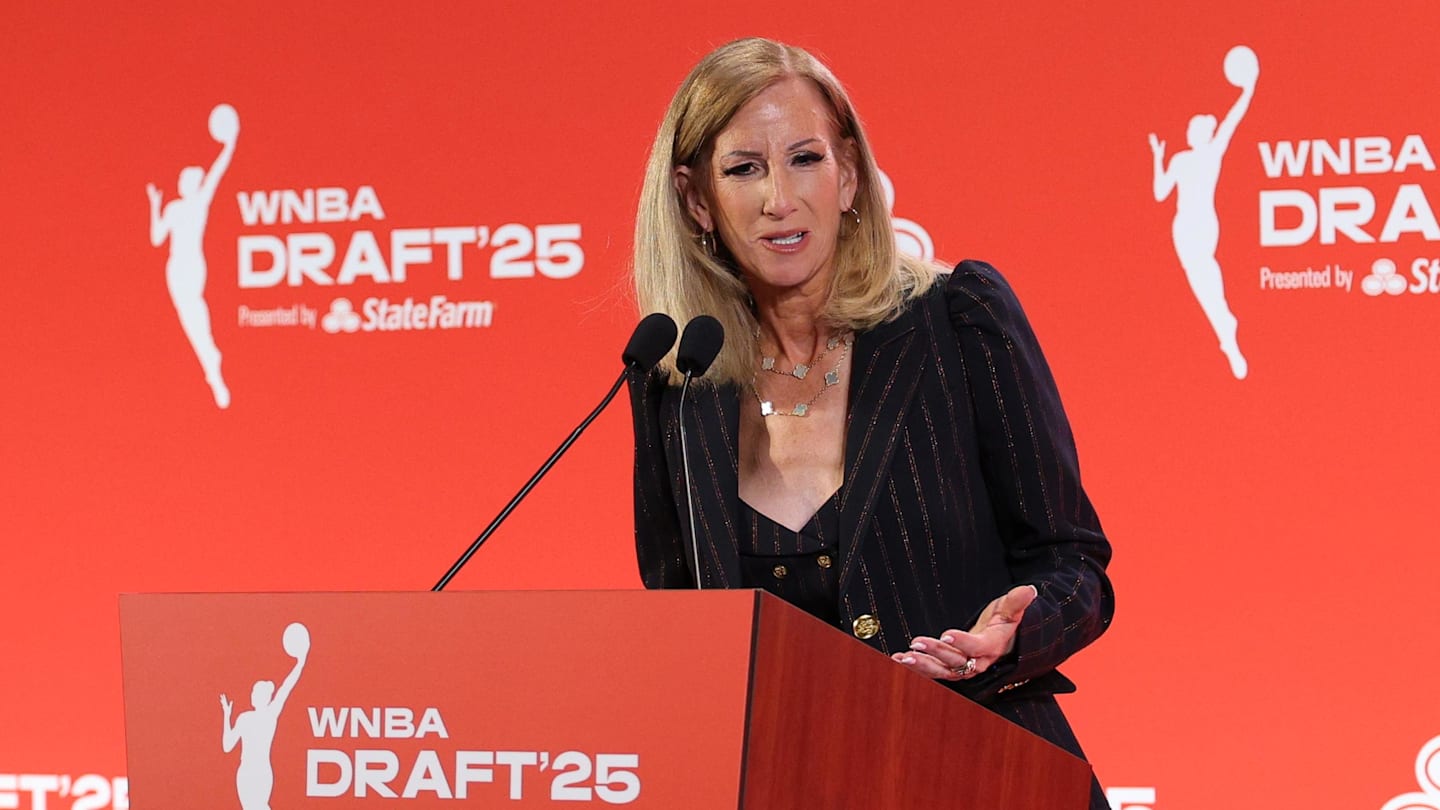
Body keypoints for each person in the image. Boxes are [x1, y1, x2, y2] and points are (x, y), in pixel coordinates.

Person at [626, 38, 1114, 808]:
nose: (779, 198)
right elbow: (681, 627)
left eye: (806, 159)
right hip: (794, 787)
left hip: (987, 772)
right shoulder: (683, 383)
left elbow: (1073, 562)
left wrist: (1015, 634)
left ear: (849, 174)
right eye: (744, 168)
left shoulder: (958, 320)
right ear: (696, 201)